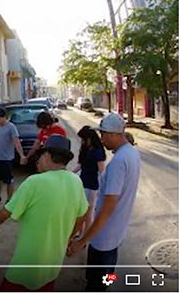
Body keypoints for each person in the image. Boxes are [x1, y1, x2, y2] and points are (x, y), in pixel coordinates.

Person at [0, 135, 88, 291]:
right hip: (52, 265)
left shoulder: (34, 182)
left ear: (47, 156)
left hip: (25, 267)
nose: (37, 160)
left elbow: (5, 213)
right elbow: (82, 215)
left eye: (40, 155)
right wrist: (68, 237)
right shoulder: (76, 181)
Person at [67, 114, 141, 292]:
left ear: (115, 134)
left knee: (95, 284)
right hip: (116, 234)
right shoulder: (131, 153)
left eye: (104, 134)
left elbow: (107, 210)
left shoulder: (118, 162)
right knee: (108, 276)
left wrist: (82, 241)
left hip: (104, 238)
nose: (102, 139)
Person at [0, 107, 26, 205]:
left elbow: (16, 142)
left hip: (7, 158)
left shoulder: (11, 127)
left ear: (4, 117)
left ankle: (9, 199)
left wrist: (21, 155)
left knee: (9, 180)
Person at [72, 126, 106, 236]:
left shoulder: (98, 151)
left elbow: (102, 170)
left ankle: (86, 234)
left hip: (92, 185)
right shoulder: (86, 149)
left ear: (90, 138)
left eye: (83, 139)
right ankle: (80, 232)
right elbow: (81, 164)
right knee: (81, 210)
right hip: (83, 182)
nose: (82, 141)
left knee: (88, 212)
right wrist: (71, 173)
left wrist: (104, 186)